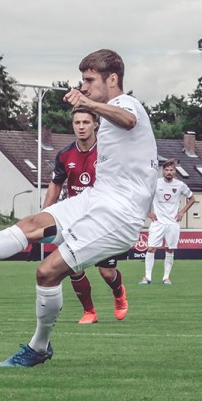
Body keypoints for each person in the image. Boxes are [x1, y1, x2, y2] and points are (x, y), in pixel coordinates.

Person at [0, 49, 158, 367]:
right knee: (31, 224)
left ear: (112, 79)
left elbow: (129, 120)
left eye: (89, 80)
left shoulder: (127, 104)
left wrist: (89, 104)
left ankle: (38, 347)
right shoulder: (106, 116)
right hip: (96, 199)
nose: (83, 87)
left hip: (119, 217)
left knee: (46, 272)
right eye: (82, 81)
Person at [40, 107, 129, 325]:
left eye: (86, 122)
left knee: (107, 273)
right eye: (77, 122)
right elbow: (55, 185)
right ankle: (89, 311)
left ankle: (118, 292)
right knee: (72, 268)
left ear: (95, 125)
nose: (81, 127)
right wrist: (44, 215)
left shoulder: (108, 153)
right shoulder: (64, 155)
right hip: (75, 219)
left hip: (103, 219)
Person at [139, 159, 195, 285]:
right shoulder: (155, 183)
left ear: (175, 171)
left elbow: (192, 198)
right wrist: (148, 212)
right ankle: (147, 277)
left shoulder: (180, 185)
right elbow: (143, 197)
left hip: (172, 224)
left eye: (171, 170)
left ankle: (166, 278)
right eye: (167, 170)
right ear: (163, 171)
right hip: (158, 223)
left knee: (169, 250)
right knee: (151, 248)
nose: (169, 172)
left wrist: (182, 212)